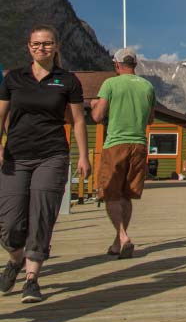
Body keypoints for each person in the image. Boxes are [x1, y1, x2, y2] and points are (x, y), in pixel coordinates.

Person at [0, 25, 91, 303]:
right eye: (36, 44)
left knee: (42, 214)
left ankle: (32, 279)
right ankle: (15, 260)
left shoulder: (68, 81)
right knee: (10, 222)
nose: (41, 48)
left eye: (47, 43)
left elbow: (77, 120)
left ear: (56, 47)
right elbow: (0, 115)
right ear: (28, 47)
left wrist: (84, 156)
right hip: (15, 156)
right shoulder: (14, 78)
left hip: (52, 155)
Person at [91, 47, 155, 259]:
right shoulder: (147, 86)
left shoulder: (110, 83)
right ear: (135, 64)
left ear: (117, 65)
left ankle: (123, 236)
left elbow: (98, 117)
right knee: (126, 195)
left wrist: (94, 105)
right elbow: (151, 119)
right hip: (139, 145)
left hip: (115, 144)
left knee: (110, 194)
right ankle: (118, 242)